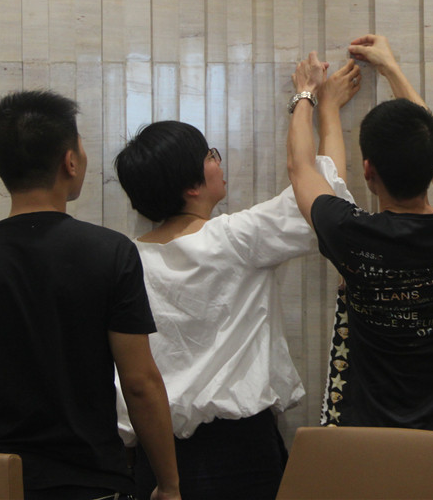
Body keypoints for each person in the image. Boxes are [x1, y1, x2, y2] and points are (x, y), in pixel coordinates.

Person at [0, 90, 180, 500]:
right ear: (70, 162)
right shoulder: (111, 254)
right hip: (93, 486)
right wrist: (169, 485)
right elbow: (140, 383)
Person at [112, 62, 359, 500]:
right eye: (210, 155)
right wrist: (314, 102)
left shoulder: (124, 261)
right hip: (239, 456)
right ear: (191, 186)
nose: (218, 161)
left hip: (152, 457)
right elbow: (323, 197)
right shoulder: (236, 238)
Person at [286, 35, 433, 433]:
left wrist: (307, 93)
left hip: (368, 438)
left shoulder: (351, 234)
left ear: (368, 171)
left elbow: (301, 168)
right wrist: (392, 70)